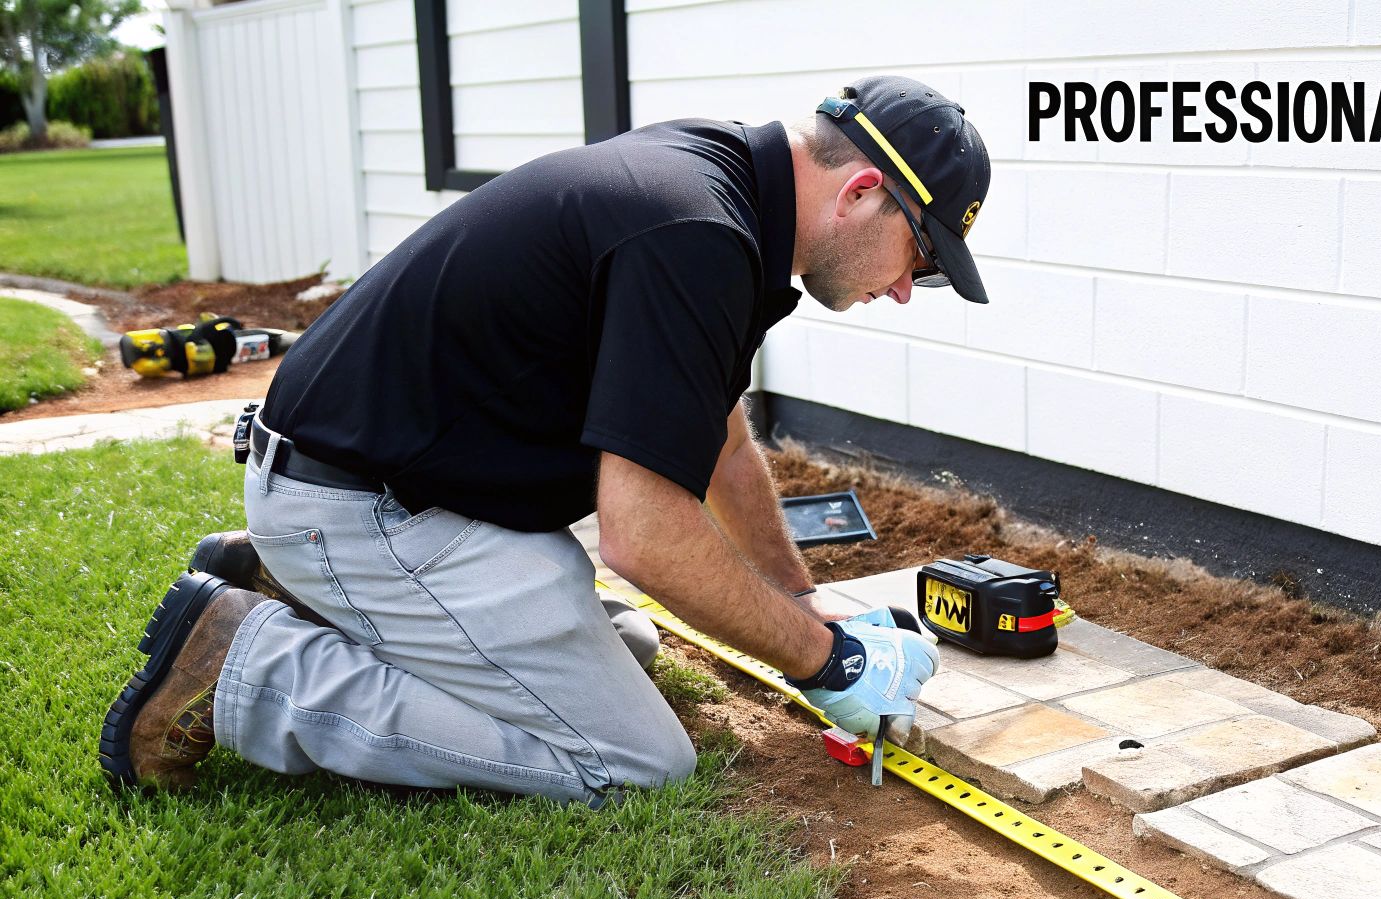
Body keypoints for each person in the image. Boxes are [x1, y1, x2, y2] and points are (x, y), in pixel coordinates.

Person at [98, 75, 992, 807]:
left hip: (402, 487)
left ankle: (305, 587)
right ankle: (246, 665)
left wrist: (798, 600)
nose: (908, 290)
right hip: (369, 508)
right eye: (920, 259)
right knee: (633, 761)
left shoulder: (720, 189)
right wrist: (826, 659)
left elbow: (714, 441)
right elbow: (640, 536)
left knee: (633, 649)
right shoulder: (698, 234)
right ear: (863, 191)